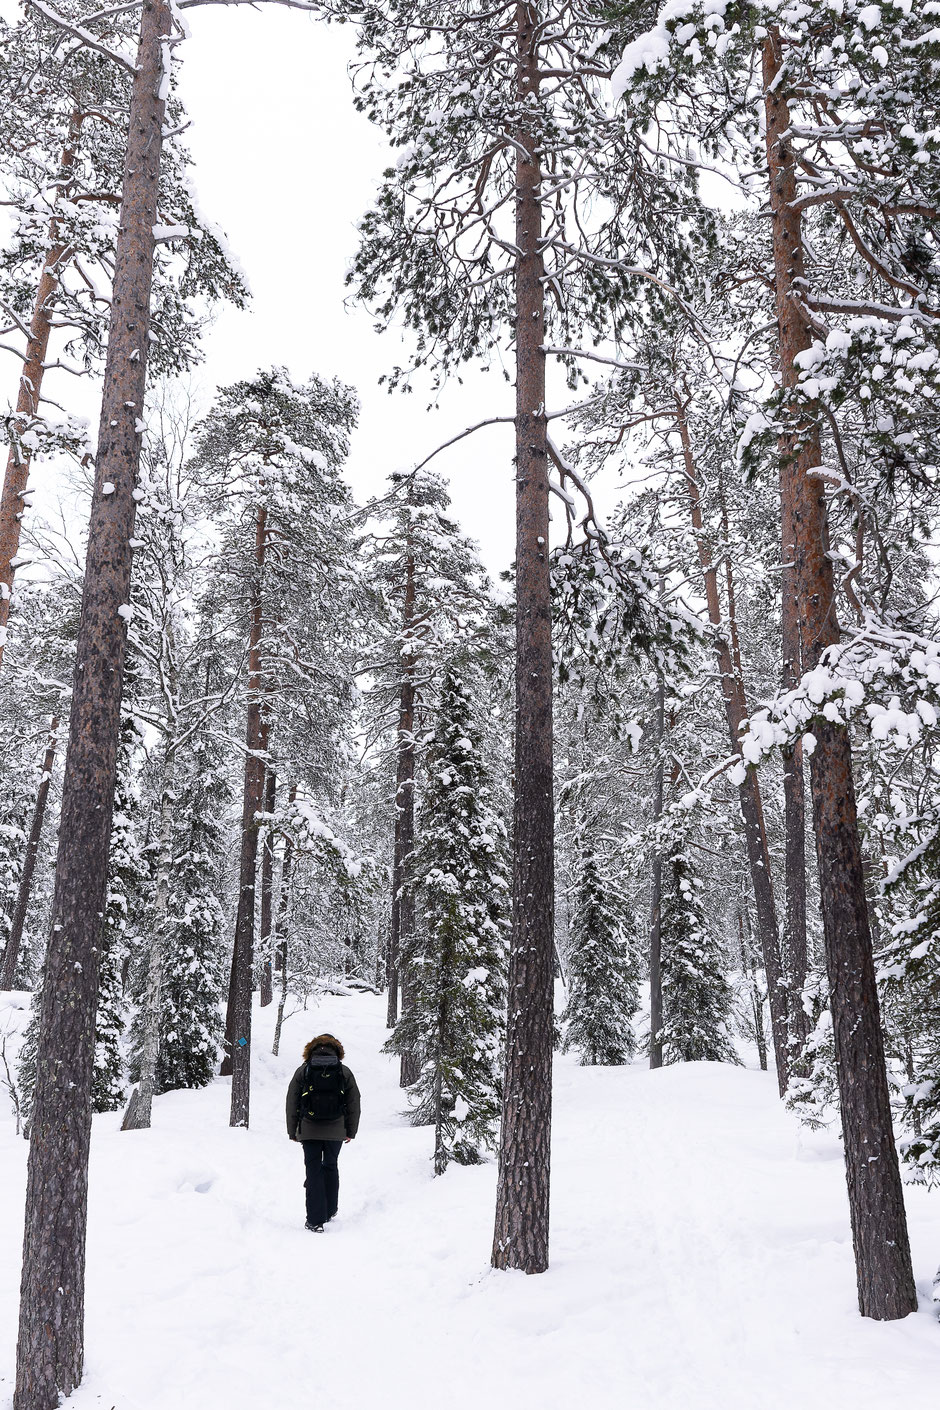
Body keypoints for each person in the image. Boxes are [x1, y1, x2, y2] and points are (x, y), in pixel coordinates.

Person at [286, 1033, 361, 1232]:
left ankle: (315, 1220)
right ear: (337, 1050)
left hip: (309, 1128)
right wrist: (350, 1131)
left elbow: (291, 1102)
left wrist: (292, 1130)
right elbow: (354, 1102)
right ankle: (330, 1210)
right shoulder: (344, 1071)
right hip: (336, 1128)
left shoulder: (304, 1071)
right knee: (330, 1165)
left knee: (313, 1170)